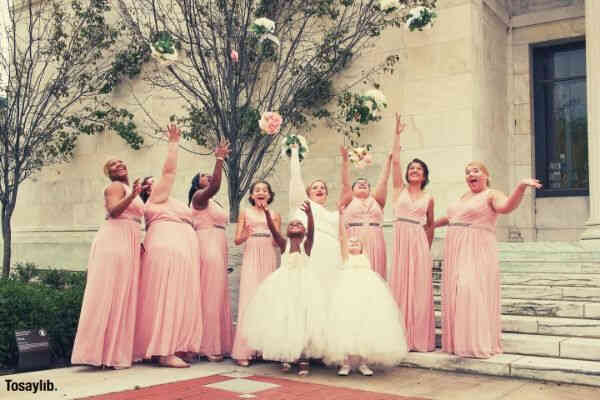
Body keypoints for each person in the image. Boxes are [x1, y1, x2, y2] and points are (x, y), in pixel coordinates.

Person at [435, 162, 542, 358]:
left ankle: (476, 342)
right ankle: (460, 342)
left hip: (477, 247)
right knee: (458, 291)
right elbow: (450, 217)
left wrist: (520, 186)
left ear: (486, 175)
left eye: (475, 171)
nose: (470, 175)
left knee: (471, 289)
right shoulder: (464, 197)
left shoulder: (492, 194)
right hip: (455, 248)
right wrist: (428, 224)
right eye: (467, 172)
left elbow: (507, 207)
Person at [133, 124, 203, 368]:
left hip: (184, 250)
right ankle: (163, 350)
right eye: (151, 182)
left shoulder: (172, 201)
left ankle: (177, 344)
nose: (157, 183)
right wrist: (173, 143)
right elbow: (169, 172)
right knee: (166, 296)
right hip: (167, 248)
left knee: (180, 296)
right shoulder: (155, 199)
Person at [71, 158, 143, 369]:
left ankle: (114, 352)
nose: (119, 164)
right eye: (113, 164)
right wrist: (133, 195)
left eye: (121, 162)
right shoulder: (115, 186)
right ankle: (97, 353)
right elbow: (113, 211)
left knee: (122, 293)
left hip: (129, 239)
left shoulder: (129, 187)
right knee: (109, 292)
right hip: (115, 240)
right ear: (109, 173)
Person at [242, 201, 327, 376]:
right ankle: (286, 356)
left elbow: (312, 231)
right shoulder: (283, 244)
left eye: (299, 224)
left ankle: (304, 358)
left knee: (303, 320)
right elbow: (273, 230)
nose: (295, 225)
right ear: (287, 231)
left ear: (303, 231)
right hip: (284, 286)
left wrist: (310, 214)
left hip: (305, 286)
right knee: (285, 319)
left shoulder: (307, 245)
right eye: (292, 224)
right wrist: (267, 214)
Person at [323, 205, 408, 376]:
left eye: (357, 242)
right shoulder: (345, 257)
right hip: (346, 294)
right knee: (346, 325)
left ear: (362, 247)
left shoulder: (366, 258)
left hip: (366, 294)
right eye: (351, 242)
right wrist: (341, 217)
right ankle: (345, 363)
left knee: (365, 325)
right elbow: (342, 237)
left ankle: (363, 363)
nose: (353, 243)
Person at [389, 114, 435, 352]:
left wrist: (425, 250)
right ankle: (400, 337)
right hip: (401, 239)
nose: (414, 171)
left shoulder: (429, 198)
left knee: (418, 289)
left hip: (418, 242)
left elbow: (430, 226)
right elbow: (395, 162)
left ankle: (418, 338)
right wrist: (397, 135)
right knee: (400, 285)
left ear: (424, 175)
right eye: (412, 168)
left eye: (419, 169)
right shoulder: (399, 190)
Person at [189, 139, 233, 362]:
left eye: (209, 174)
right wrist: (219, 159)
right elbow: (215, 185)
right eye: (204, 176)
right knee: (209, 293)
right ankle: (206, 345)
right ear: (197, 184)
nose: (209, 177)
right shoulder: (199, 198)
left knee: (218, 294)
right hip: (206, 242)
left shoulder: (215, 203)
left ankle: (219, 342)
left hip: (219, 241)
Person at [231, 180, 281, 366]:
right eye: (257, 190)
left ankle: (264, 348)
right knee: (249, 298)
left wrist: (269, 218)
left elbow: (277, 242)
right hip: (252, 255)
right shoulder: (245, 212)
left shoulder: (275, 214)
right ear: (251, 195)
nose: (261, 192)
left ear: (269, 195)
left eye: (265, 190)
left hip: (268, 255)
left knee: (267, 299)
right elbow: (237, 240)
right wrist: (246, 231)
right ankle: (244, 351)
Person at [288, 145, 342, 299]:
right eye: (315, 187)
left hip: (332, 254)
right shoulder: (304, 205)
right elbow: (296, 179)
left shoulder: (334, 214)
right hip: (311, 252)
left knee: (331, 291)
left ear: (326, 194)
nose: (320, 189)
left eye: (323, 188)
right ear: (308, 193)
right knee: (312, 292)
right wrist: (294, 153)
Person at [340, 147, 392, 279]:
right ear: (352, 190)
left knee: (376, 272)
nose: (362, 184)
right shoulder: (349, 200)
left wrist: (389, 159)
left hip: (375, 238)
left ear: (370, 189)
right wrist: (345, 161)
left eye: (366, 184)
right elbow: (345, 183)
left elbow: (383, 180)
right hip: (354, 239)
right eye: (358, 183)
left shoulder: (377, 201)